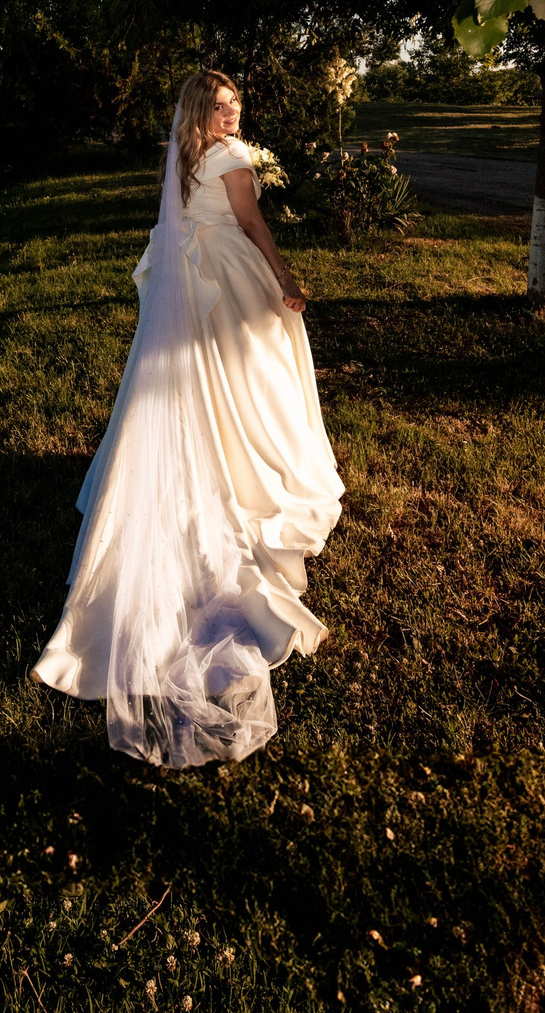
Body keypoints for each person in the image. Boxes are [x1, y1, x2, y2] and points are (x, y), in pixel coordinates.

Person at [32, 70, 344, 766]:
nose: (235, 114)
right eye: (225, 105)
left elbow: (180, 223)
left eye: (238, 105)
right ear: (207, 110)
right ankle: (257, 474)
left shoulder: (182, 153)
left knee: (199, 385)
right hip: (228, 274)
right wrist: (286, 278)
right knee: (254, 373)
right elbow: (253, 222)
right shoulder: (232, 158)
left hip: (187, 279)